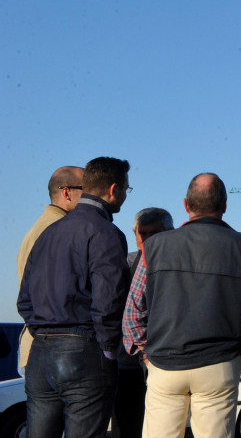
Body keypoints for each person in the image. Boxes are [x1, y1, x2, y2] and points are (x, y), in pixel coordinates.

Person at [123, 173, 241, 438]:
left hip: (164, 361)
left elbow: (133, 309)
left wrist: (145, 352)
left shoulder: (154, 246)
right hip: (219, 362)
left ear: (186, 204)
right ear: (224, 205)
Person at [18, 157, 131, 438]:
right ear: (113, 189)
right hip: (85, 351)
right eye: (127, 190)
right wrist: (108, 349)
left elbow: (24, 299)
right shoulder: (106, 233)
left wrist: (45, 331)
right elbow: (109, 300)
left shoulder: (48, 233)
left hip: (41, 352)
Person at [16, 165, 85, 370]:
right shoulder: (59, 231)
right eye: (86, 190)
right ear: (67, 192)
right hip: (55, 350)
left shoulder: (42, 227)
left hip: (40, 345)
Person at [114, 207, 174, 438]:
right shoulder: (126, 263)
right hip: (129, 362)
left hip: (165, 360)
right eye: (143, 234)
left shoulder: (177, 264)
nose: (148, 240)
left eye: (154, 233)